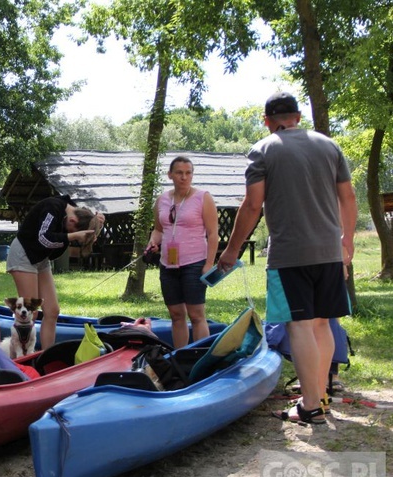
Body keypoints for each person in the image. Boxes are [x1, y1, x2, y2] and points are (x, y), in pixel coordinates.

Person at [218, 91, 357, 424]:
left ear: (267, 122)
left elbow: (253, 205)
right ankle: (320, 395)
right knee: (323, 323)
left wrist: (232, 249)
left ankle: (310, 406)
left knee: (298, 326)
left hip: (290, 255)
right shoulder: (329, 145)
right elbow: (348, 197)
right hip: (330, 253)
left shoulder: (262, 151)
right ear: (297, 117)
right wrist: (346, 243)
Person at [6, 194, 104, 350]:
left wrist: (96, 224)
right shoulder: (52, 208)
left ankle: (46, 355)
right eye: (71, 230)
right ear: (73, 221)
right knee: (30, 312)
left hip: (41, 259)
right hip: (24, 254)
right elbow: (43, 238)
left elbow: (86, 220)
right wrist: (71, 236)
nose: (71, 237)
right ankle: (22, 356)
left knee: (52, 311)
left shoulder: (74, 210)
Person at [145, 156, 219, 349]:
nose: (184, 177)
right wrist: (153, 241)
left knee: (196, 315)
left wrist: (209, 264)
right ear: (170, 175)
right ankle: (180, 356)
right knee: (177, 315)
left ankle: (201, 357)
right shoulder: (162, 200)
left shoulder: (203, 197)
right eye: (179, 173)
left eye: (188, 173)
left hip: (195, 262)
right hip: (168, 264)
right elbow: (159, 229)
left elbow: (213, 234)